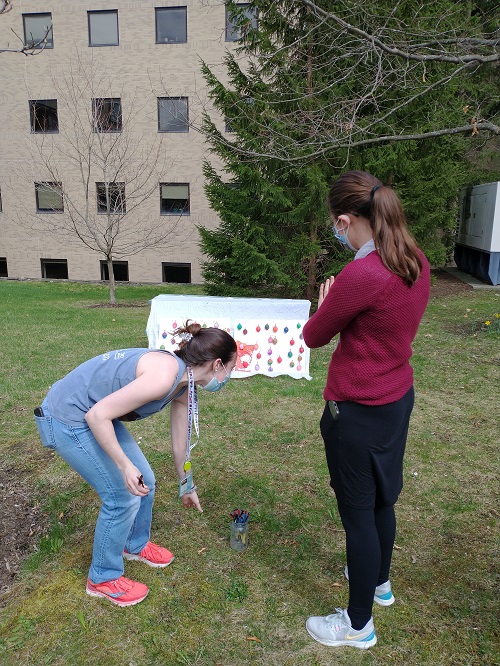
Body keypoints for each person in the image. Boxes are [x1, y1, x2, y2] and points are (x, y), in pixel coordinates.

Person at [303, 170, 430, 649]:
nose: (339, 234)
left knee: (357, 512)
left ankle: (357, 626)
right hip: (396, 400)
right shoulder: (415, 259)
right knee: (382, 499)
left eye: (338, 227)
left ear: (345, 220)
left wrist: (327, 301)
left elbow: (314, 336)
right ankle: (379, 582)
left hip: (356, 411)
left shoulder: (361, 274)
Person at [34, 321, 237, 607]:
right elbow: (96, 417)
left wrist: (186, 484)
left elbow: (180, 444)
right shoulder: (163, 376)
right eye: (231, 368)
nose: (230, 375)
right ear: (217, 364)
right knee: (122, 496)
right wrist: (124, 465)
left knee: (146, 482)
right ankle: (102, 578)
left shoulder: (183, 384)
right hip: (67, 418)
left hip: (96, 414)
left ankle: (134, 544)